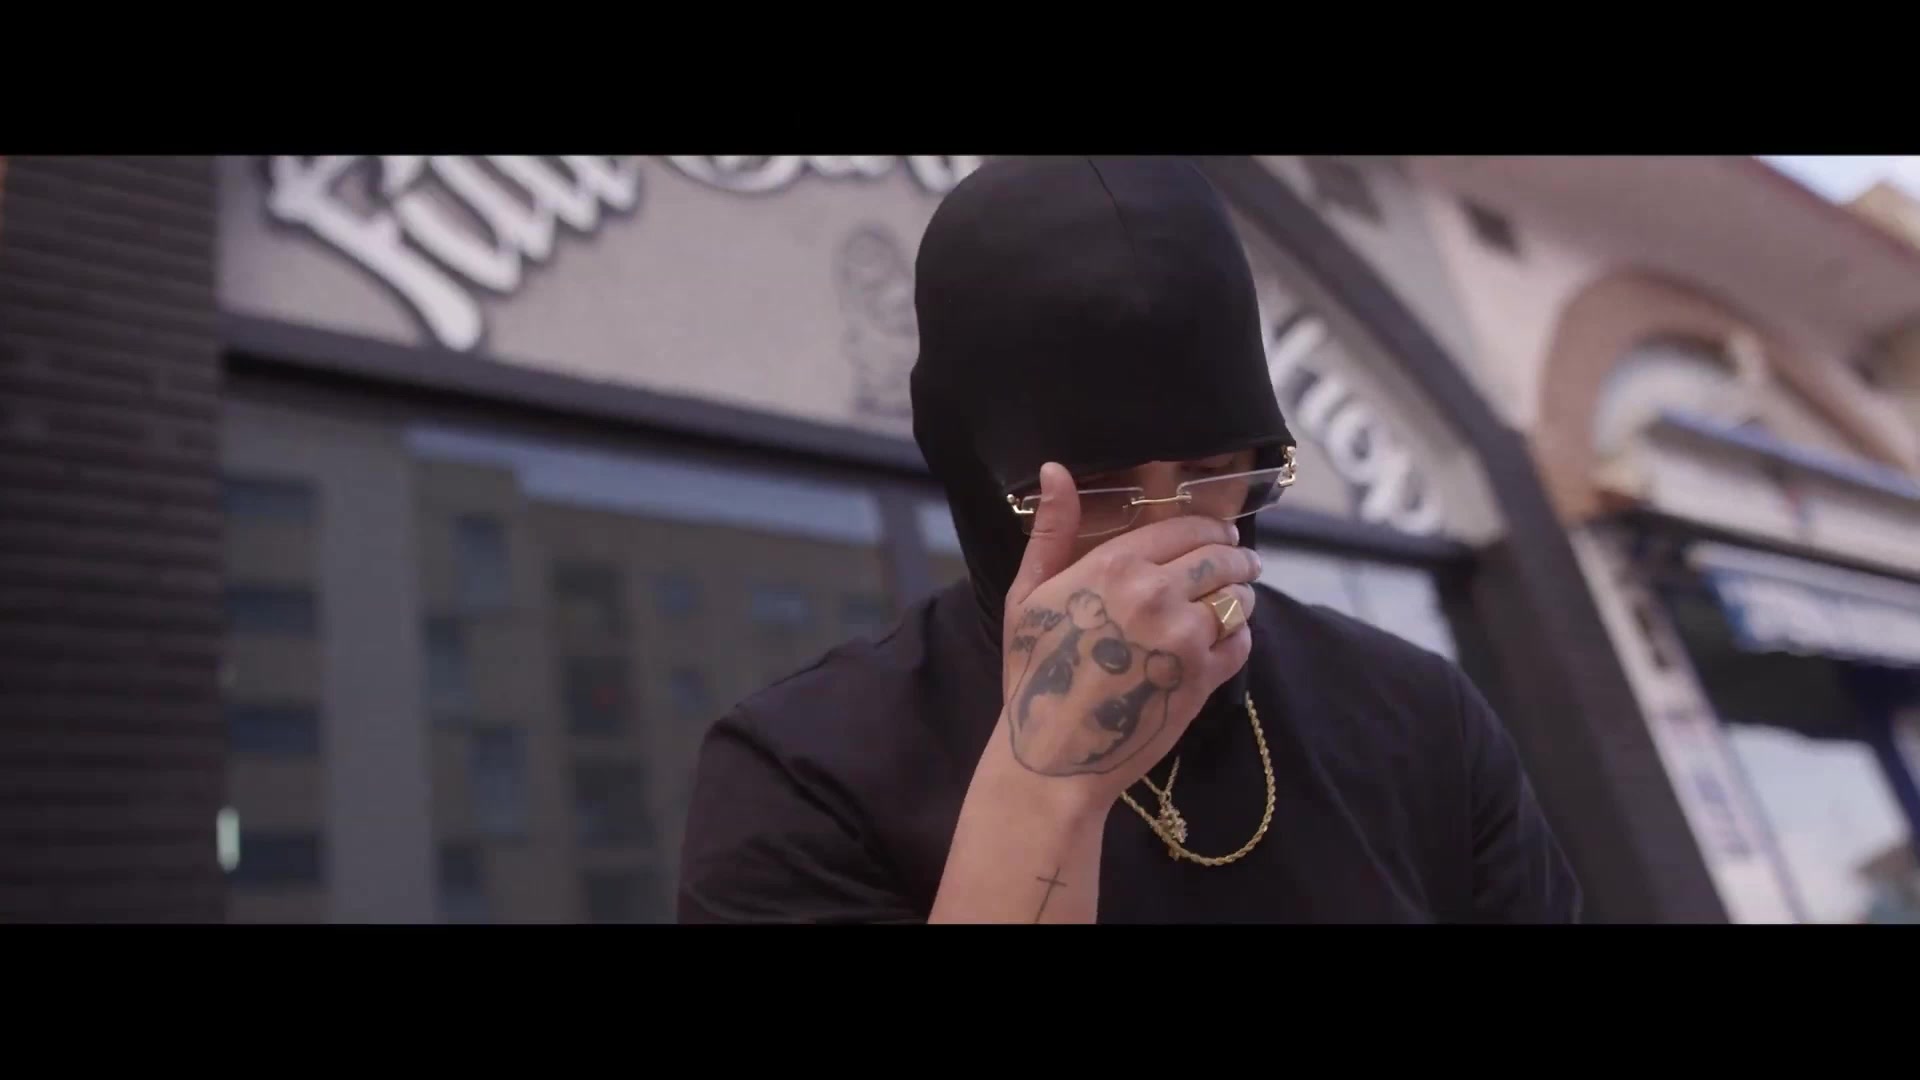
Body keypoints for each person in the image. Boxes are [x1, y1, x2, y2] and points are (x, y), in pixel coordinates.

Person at [675, 156, 1582, 923]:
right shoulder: (803, 774)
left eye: (1215, 467)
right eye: (1099, 487)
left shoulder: (1417, 717)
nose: (1162, 536)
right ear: (972, 473)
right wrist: (1047, 784)